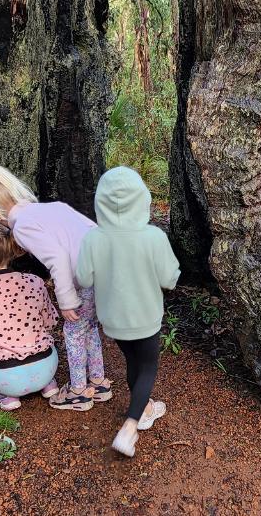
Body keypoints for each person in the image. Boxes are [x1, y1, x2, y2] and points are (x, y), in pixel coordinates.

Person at [0, 165, 111, 411]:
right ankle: (99, 382)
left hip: (83, 277)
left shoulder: (22, 226)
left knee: (73, 331)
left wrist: (66, 299)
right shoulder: (51, 208)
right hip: (103, 267)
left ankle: (79, 391)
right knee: (89, 326)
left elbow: (57, 258)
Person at [76, 166, 180, 457]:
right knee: (147, 367)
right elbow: (168, 279)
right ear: (142, 199)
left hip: (112, 319)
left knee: (133, 361)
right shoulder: (154, 237)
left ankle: (145, 407)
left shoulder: (93, 238)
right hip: (146, 316)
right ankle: (130, 426)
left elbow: (83, 279)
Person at [0, 223, 61, 410]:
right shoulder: (35, 282)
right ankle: (48, 385)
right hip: (47, 367)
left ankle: (6, 396)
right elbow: (50, 322)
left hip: (6, 378)